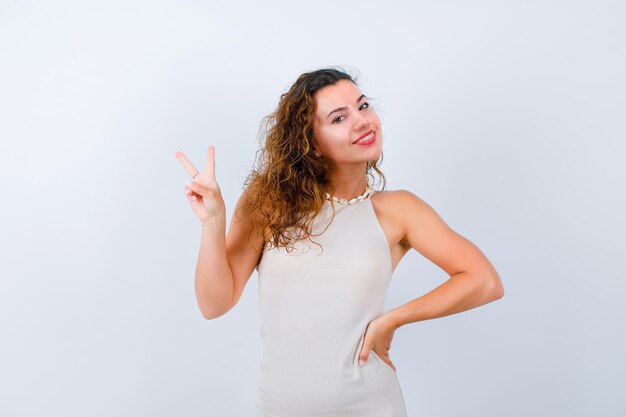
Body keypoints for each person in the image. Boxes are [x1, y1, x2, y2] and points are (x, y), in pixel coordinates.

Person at [174, 67, 504, 417]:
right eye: (339, 117)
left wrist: (393, 320)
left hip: (373, 406)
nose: (362, 121)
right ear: (311, 143)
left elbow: (484, 280)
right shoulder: (269, 202)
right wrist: (212, 222)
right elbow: (214, 304)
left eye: (363, 107)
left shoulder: (398, 210)